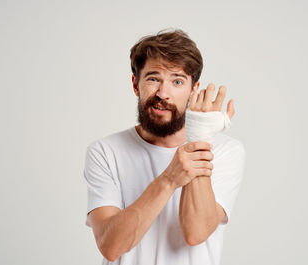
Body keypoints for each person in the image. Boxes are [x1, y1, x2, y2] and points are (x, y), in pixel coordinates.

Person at [83, 28, 246, 265]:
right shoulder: (105, 151)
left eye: (177, 81)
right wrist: (169, 179)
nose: (163, 93)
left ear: (193, 90)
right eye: (153, 78)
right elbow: (111, 246)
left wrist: (199, 140)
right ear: (136, 84)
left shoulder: (225, 151)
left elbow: (195, 233)